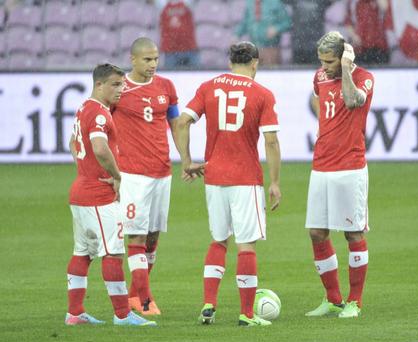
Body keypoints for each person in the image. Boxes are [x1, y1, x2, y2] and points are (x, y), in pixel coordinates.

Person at [173, 41, 282, 326]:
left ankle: (209, 303)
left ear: (230, 61)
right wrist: (275, 182)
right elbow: (271, 140)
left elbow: (182, 122)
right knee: (246, 246)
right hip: (245, 178)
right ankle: (247, 314)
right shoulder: (262, 94)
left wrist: (186, 161)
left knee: (219, 240)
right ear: (255, 63)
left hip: (214, 176)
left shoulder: (209, 86)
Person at [66, 63, 156, 327]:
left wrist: (83, 168)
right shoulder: (100, 114)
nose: (121, 89)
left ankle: (75, 313)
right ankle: (122, 315)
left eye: (122, 84)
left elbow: (73, 143)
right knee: (113, 253)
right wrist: (118, 176)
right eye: (115, 85)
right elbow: (100, 147)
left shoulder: (84, 107)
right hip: (98, 196)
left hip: (80, 190)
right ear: (99, 85)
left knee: (82, 252)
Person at [305, 31, 373, 319]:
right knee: (317, 232)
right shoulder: (319, 77)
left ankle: (354, 301)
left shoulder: (363, 78)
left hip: (350, 166)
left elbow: (351, 100)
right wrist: (324, 123)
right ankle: (333, 299)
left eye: (330, 61)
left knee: (352, 232)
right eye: (321, 61)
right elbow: (317, 97)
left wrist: (345, 69)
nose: (324, 67)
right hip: (321, 164)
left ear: (344, 56)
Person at [111, 37, 180, 316]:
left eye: (156, 59)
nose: (153, 65)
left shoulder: (166, 86)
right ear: (133, 59)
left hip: (162, 172)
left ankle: (133, 295)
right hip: (133, 174)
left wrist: (185, 159)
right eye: (147, 60)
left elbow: (175, 124)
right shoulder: (119, 88)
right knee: (136, 237)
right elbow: (100, 124)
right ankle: (146, 300)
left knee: (152, 237)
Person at [235, 0, 291, 65]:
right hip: (253, 50)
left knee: (270, 73)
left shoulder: (275, 2)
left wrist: (276, 29)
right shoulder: (250, 2)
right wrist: (236, 35)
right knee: (255, 74)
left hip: (270, 49)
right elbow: (245, 22)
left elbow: (287, 23)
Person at [282, 0, 334, 64]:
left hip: (314, 43)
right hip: (299, 43)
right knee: (298, 71)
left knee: (313, 70)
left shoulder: (322, 2)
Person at [345, 0, 390, 65]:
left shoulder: (377, 2)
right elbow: (348, 22)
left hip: (379, 47)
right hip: (360, 48)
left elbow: (385, 7)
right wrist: (354, 36)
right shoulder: (353, 2)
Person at [158, 0, 200, 69]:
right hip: (170, 51)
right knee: (170, 77)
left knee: (197, 76)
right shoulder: (162, 4)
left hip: (189, 49)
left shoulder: (187, 3)